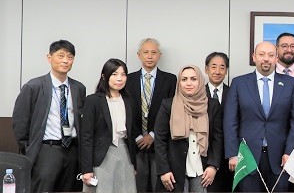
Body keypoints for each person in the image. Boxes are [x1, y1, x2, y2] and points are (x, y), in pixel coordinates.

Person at [224, 41, 294, 192]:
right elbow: (230, 122)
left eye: (271, 55)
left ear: (277, 58)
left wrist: (289, 152)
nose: (266, 58)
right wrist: (232, 154)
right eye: (261, 54)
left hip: (281, 157)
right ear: (254, 57)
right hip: (247, 157)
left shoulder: (291, 84)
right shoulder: (239, 83)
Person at [12, 40, 85, 192]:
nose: (65, 60)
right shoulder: (34, 86)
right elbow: (20, 122)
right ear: (49, 57)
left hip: (72, 150)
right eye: (61, 55)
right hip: (46, 150)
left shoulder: (78, 88)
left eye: (70, 57)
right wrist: (31, 149)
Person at [154, 65, 223, 192]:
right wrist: (163, 170)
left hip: (202, 170)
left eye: (193, 79)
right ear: (179, 82)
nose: (188, 83)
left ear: (200, 81)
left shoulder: (212, 106)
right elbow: (160, 140)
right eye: (184, 79)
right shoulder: (168, 105)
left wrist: (213, 165)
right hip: (174, 170)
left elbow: (217, 139)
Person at [126, 38, 177, 192]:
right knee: (138, 186)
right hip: (135, 143)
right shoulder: (128, 80)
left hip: (160, 143)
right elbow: (125, 112)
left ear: (159, 55)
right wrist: (138, 136)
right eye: (146, 52)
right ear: (138, 55)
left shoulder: (170, 79)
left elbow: (173, 113)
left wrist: (153, 135)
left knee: (159, 186)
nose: (149, 56)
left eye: (153, 52)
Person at [80, 58, 138, 192]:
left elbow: (132, 134)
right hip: (101, 156)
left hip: (125, 153)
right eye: (114, 74)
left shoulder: (129, 101)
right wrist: (87, 169)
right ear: (104, 76)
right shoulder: (93, 100)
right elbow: (86, 137)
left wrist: (134, 164)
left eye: (123, 75)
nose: (120, 79)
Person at [203, 52, 231, 192]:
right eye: (214, 67)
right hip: (205, 158)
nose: (218, 71)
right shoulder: (198, 93)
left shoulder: (233, 93)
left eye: (222, 67)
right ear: (206, 69)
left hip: (228, 157)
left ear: (226, 71)